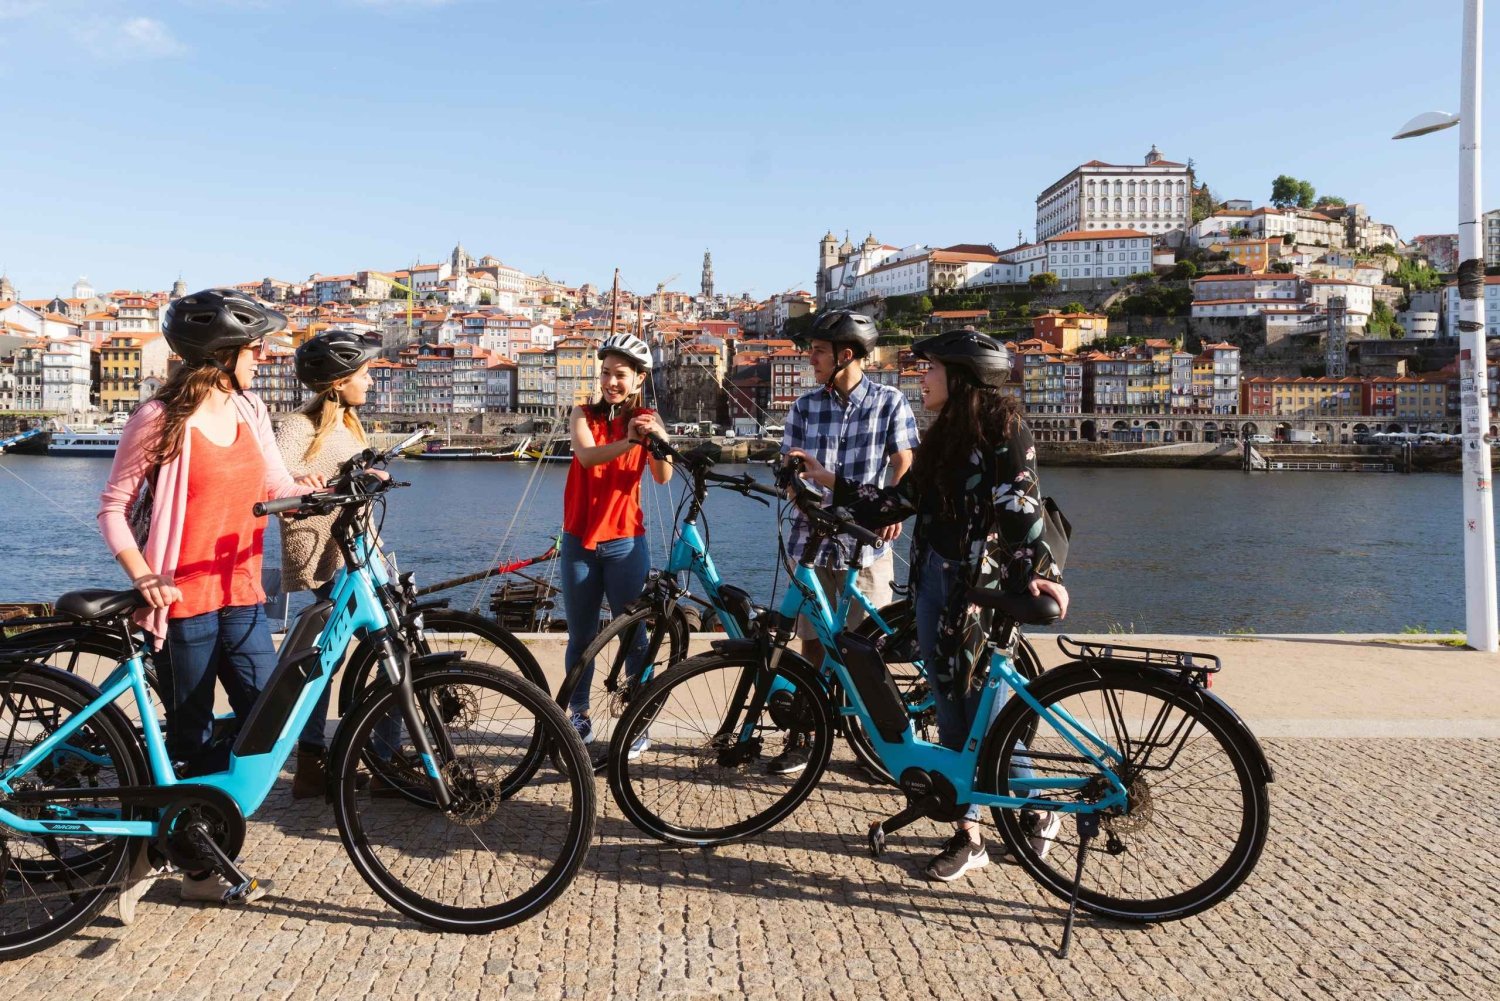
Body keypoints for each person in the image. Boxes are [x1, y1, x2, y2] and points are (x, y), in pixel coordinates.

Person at [789, 326, 1070, 883]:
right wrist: (833, 487)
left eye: (931, 368)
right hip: (936, 586)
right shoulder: (944, 435)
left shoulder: (1001, 426)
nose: (922, 376)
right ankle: (986, 826)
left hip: (979, 590)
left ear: (960, 376)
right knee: (951, 707)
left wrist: (1040, 575)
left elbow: (1022, 505)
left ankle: (1017, 814)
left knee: (977, 713)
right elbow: (902, 498)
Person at [97, 288, 323, 918]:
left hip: (244, 594)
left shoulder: (250, 407)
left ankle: (179, 824)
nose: (264, 356)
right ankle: (192, 865)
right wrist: (145, 577)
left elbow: (273, 481)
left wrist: (311, 490)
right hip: (183, 603)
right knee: (192, 732)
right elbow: (113, 509)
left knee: (264, 720)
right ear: (219, 353)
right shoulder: (160, 418)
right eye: (255, 347)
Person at [776, 308, 917, 776]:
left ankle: (878, 742)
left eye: (818, 352)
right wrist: (800, 499)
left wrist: (892, 508)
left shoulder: (890, 401)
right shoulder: (804, 407)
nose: (810, 359)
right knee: (811, 642)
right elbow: (789, 469)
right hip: (811, 544)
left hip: (867, 545)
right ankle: (804, 734)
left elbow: (904, 460)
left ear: (846, 355)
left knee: (867, 650)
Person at [274, 328, 384, 798]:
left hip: (359, 552)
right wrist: (308, 479)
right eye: (365, 373)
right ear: (338, 381)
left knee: (332, 660)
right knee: (378, 653)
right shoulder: (298, 425)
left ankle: (316, 760)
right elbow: (275, 478)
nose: (371, 382)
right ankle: (378, 758)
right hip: (328, 557)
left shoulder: (349, 425)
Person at [560, 332, 672, 758]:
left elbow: (663, 477)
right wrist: (630, 441)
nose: (611, 381)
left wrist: (657, 438)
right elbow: (587, 458)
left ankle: (637, 719)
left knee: (634, 638)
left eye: (620, 375)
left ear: (638, 380)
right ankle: (578, 713)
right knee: (581, 634)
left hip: (626, 543)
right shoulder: (582, 414)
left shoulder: (647, 418)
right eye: (606, 372)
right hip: (579, 542)